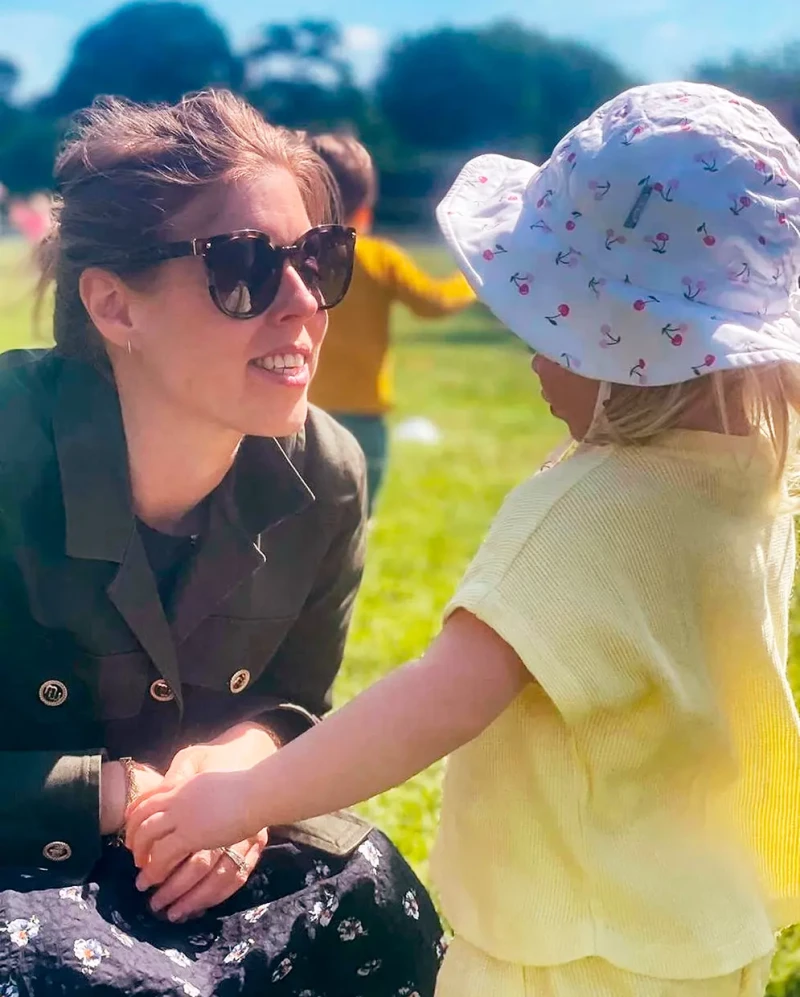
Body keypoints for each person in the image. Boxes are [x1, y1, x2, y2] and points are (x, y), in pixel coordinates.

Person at [129, 82, 800, 996]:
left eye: (547, 319)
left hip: (562, 940)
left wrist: (243, 797)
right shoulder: (756, 481)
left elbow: (440, 699)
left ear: (616, 333)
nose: (526, 344)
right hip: (705, 931)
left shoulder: (590, 509)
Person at [0, 90, 443, 997]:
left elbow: (292, 701)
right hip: (19, 857)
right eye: (243, 265)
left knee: (378, 902)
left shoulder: (328, 475)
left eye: (319, 260)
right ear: (115, 306)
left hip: (204, 853)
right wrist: (116, 795)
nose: (302, 303)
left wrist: (246, 778)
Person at [305, 133, 475, 515]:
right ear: (364, 210)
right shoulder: (379, 258)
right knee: (353, 523)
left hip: (300, 411)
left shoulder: (295, 258)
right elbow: (434, 304)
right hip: (362, 417)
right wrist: (472, 277)